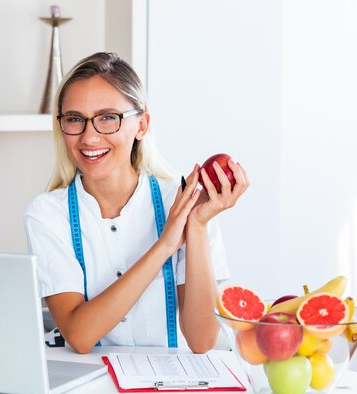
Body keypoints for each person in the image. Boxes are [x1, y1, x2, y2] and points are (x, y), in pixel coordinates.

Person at [24, 52, 249, 354]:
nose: (89, 137)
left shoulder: (183, 203)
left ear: (141, 126)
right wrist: (165, 245)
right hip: (87, 389)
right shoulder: (48, 214)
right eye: (75, 119)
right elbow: (79, 335)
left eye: (107, 118)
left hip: (172, 387)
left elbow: (201, 340)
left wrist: (196, 226)